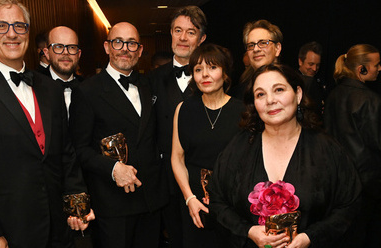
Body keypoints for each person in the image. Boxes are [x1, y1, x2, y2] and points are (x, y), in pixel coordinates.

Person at [0, 0, 94, 247]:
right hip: (9, 231)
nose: (12, 33)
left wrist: (77, 202)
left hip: (59, 228)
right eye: (1, 26)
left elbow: (65, 153)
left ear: (28, 33)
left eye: (19, 26)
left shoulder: (50, 89)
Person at [209, 64, 361, 248]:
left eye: (279, 90)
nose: (270, 100)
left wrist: (310, 237)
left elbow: (348, 206)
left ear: (298, 94)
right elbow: (217, 201)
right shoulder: (238, 148)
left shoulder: (327, 149)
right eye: (260, 94)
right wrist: (248, 231)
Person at [69, 22, 168, 248]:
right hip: (113, 203)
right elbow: (79, 149)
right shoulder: (87, 91)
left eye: (132, 43)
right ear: (107, 47)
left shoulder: (148, 84)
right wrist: (112, 169)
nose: (125, 48)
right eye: (118, 42)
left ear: (140, 50)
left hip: (151, 200)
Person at [171, 43, 244, 248]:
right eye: (198, 69)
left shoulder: (243, 112)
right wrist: (189, 198)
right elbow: (177, 157)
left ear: (225, 72)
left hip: (232, 202)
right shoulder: (183, 109)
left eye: (212, 67)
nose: (205, 75)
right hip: (194, 201)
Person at [149, 6, 207, 248]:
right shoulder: (151, 79)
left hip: (202, 183)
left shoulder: (212, 78)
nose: (183, 38)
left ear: (202, 39)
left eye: (191, 32)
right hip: (163, 183)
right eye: (178, 30)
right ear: (170, 33)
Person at [324, 44, 381, 247]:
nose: (380, 68)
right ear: (361, 70)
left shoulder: (332, 96)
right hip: (368, 186)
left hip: (337, 182)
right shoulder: (371, 100)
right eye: (377, 64)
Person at [0, 26, 83, 112]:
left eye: (71, 47)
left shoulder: (88, 87)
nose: (65, 53)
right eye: (59, 47)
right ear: (46, 53)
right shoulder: (29, 82)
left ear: (78, 53)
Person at [232, 19, 282, 100]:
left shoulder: (294, 83)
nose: (256, 49)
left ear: (277, 48)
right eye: (251, 45)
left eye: (263, 43)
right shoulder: (237, 95)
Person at [298, 41, 324, 116]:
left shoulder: (319, 82)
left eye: (318, 65)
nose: (314, 69)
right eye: (311, 64)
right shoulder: (291, 80)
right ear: (300, 61)